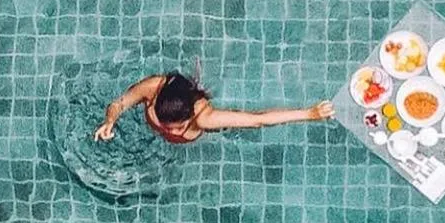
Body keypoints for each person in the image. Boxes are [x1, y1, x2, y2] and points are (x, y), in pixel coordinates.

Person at [93, 71, 334, 145]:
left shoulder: (205, 117)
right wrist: (110, 120)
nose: (170, 130)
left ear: (190, 116)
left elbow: (258, 120)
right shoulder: (153, 88)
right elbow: (120, 102)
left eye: (177, 127)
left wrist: (310, 114)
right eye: (165, 123)